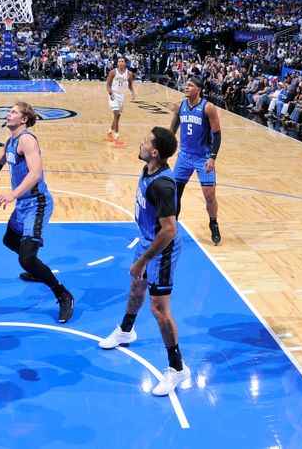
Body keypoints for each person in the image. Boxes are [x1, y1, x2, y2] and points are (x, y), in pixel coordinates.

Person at [0, 101, 75, 323]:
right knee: (10, 241)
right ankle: (37, 268)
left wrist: (12, 195)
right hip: (22, 204)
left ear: (24, 119)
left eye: (13, 112)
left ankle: (63, 294)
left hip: (36, 203)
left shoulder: (27, 140)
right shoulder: (10, 141)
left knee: (26, 259)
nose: (8, 115)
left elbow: (35, 174)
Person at [97, 127, 189, 396]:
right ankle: (126, 330)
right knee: (137, 288)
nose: (141, 142)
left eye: (146, 141)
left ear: (156, 152)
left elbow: (169, 229)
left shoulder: (163, 183)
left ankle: (177, 368)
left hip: (163, 249)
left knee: (160, 309)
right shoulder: (149, 168)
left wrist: (143, 261)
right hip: (148, 241)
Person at [169, 76, 222, 244]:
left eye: (190, 85)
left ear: (198, 89)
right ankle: (172, 226)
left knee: (210, 196)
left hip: (203, 158)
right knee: (175, 193)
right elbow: (172, 130)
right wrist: (165, 150)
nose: (186, 86)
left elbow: (217, 134)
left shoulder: (208, 108)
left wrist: (212, 158)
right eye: (186, 84)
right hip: (184, 156)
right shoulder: (179, 106)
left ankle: (213, 223)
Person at [105, 56, 135, 146]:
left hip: (122, 96)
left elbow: (130, 85)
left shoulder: (129, 74)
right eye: (119, 62)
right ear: (117, 63)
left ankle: (109, 132)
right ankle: (116, 136)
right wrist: (111, 94)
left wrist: (133, 92)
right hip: (113, 94)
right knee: (117, 114)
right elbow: (108, 85)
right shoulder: (113, 72)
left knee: (117, 117)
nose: (121, 63)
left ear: (125, 63)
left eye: (122, 61)